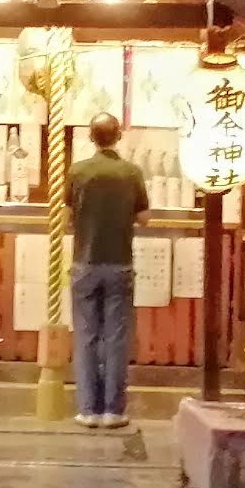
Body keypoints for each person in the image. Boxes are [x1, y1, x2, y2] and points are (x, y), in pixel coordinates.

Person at [66, 112, 149, 430]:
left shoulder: (78, 171)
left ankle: (88, 410)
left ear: (90, 137)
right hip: (120, 263)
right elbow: (145, 218)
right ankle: (114, 410)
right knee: (115, 338)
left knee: (86, 336)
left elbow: (65, 215)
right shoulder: (131, 173)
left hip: (84, 263)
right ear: (119, 136)